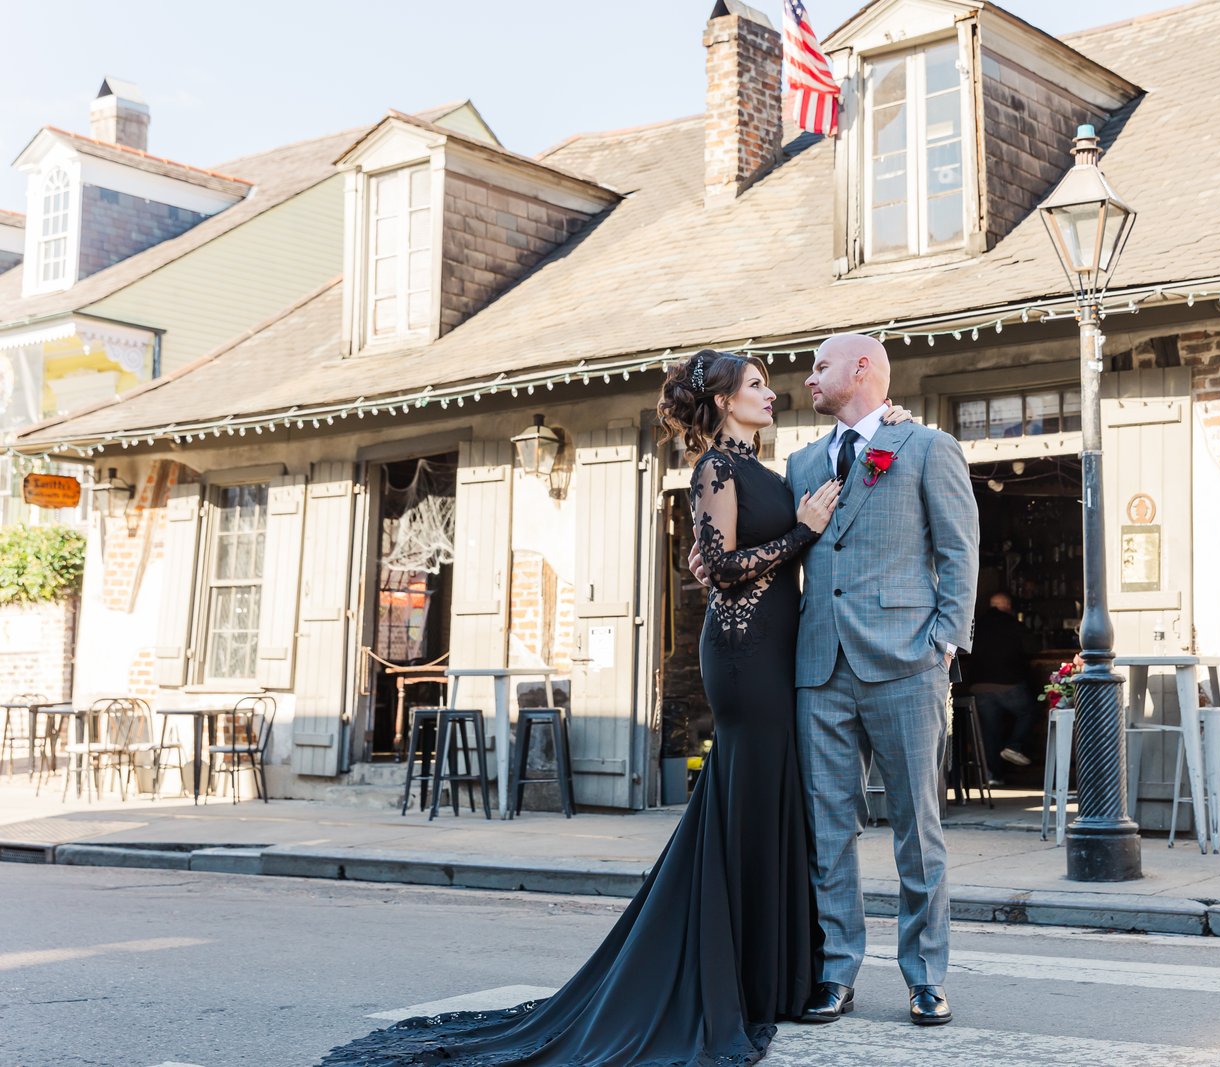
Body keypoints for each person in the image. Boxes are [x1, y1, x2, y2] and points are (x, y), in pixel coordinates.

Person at [320, 350, 909, 1066]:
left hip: (778, 653)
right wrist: (802, 533)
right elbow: (721, 569)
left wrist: (890, 423)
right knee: (750, 800)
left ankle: (774, 974)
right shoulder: (714, 471)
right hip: (743, 655)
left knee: (768, 802)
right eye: (756, 385)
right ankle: (742, 977)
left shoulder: (771, 468)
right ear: (723, 402)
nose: (772, 393)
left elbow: (806, 506)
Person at [781, 333, 979, 1029]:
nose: (808, 378)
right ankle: (837, 972)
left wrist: (946, 642)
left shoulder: (924, 447)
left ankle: (925, 977)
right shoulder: (802, 462)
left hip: (906, 664)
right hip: (820, 668)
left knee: (917, 830)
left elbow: (959, 549)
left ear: (862, 369)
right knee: (827, 827)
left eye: (820, 365)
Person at [966, 592, 1040, 782]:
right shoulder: (1013, 624)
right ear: (1007, 606)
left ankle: (993, 776)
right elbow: (1033, 648)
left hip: (979, 685)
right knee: (1029, 711)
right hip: (1008, 683)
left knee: (990, 731)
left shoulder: (976, 624)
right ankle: (1014, 746)